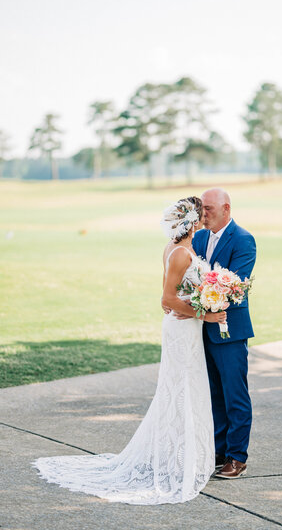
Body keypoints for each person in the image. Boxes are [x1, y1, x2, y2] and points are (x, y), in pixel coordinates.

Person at [31, 196, 226, 505]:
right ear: (192, 221)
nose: (205, 218)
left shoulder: (183, 248)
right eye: (201, 214)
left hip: (187, 328)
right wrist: (207, 312)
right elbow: (166, 301)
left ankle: (179, 455)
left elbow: (183, 295)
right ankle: (176, 461)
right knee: (179, 389)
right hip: (182, 330)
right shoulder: (178, 253)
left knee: (186, 389)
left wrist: (205, 297)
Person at [193, 188, 256, 479]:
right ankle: (218, 451)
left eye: (208, 208)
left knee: (235, 394)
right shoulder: (199, 237)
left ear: (226, 208)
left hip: (229, 329)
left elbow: (236, 286)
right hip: (201, 327)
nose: (203, 213)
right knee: (213, 394)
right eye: (201, 208)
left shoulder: (243, 240)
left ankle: (237, 457)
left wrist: (204, 301)